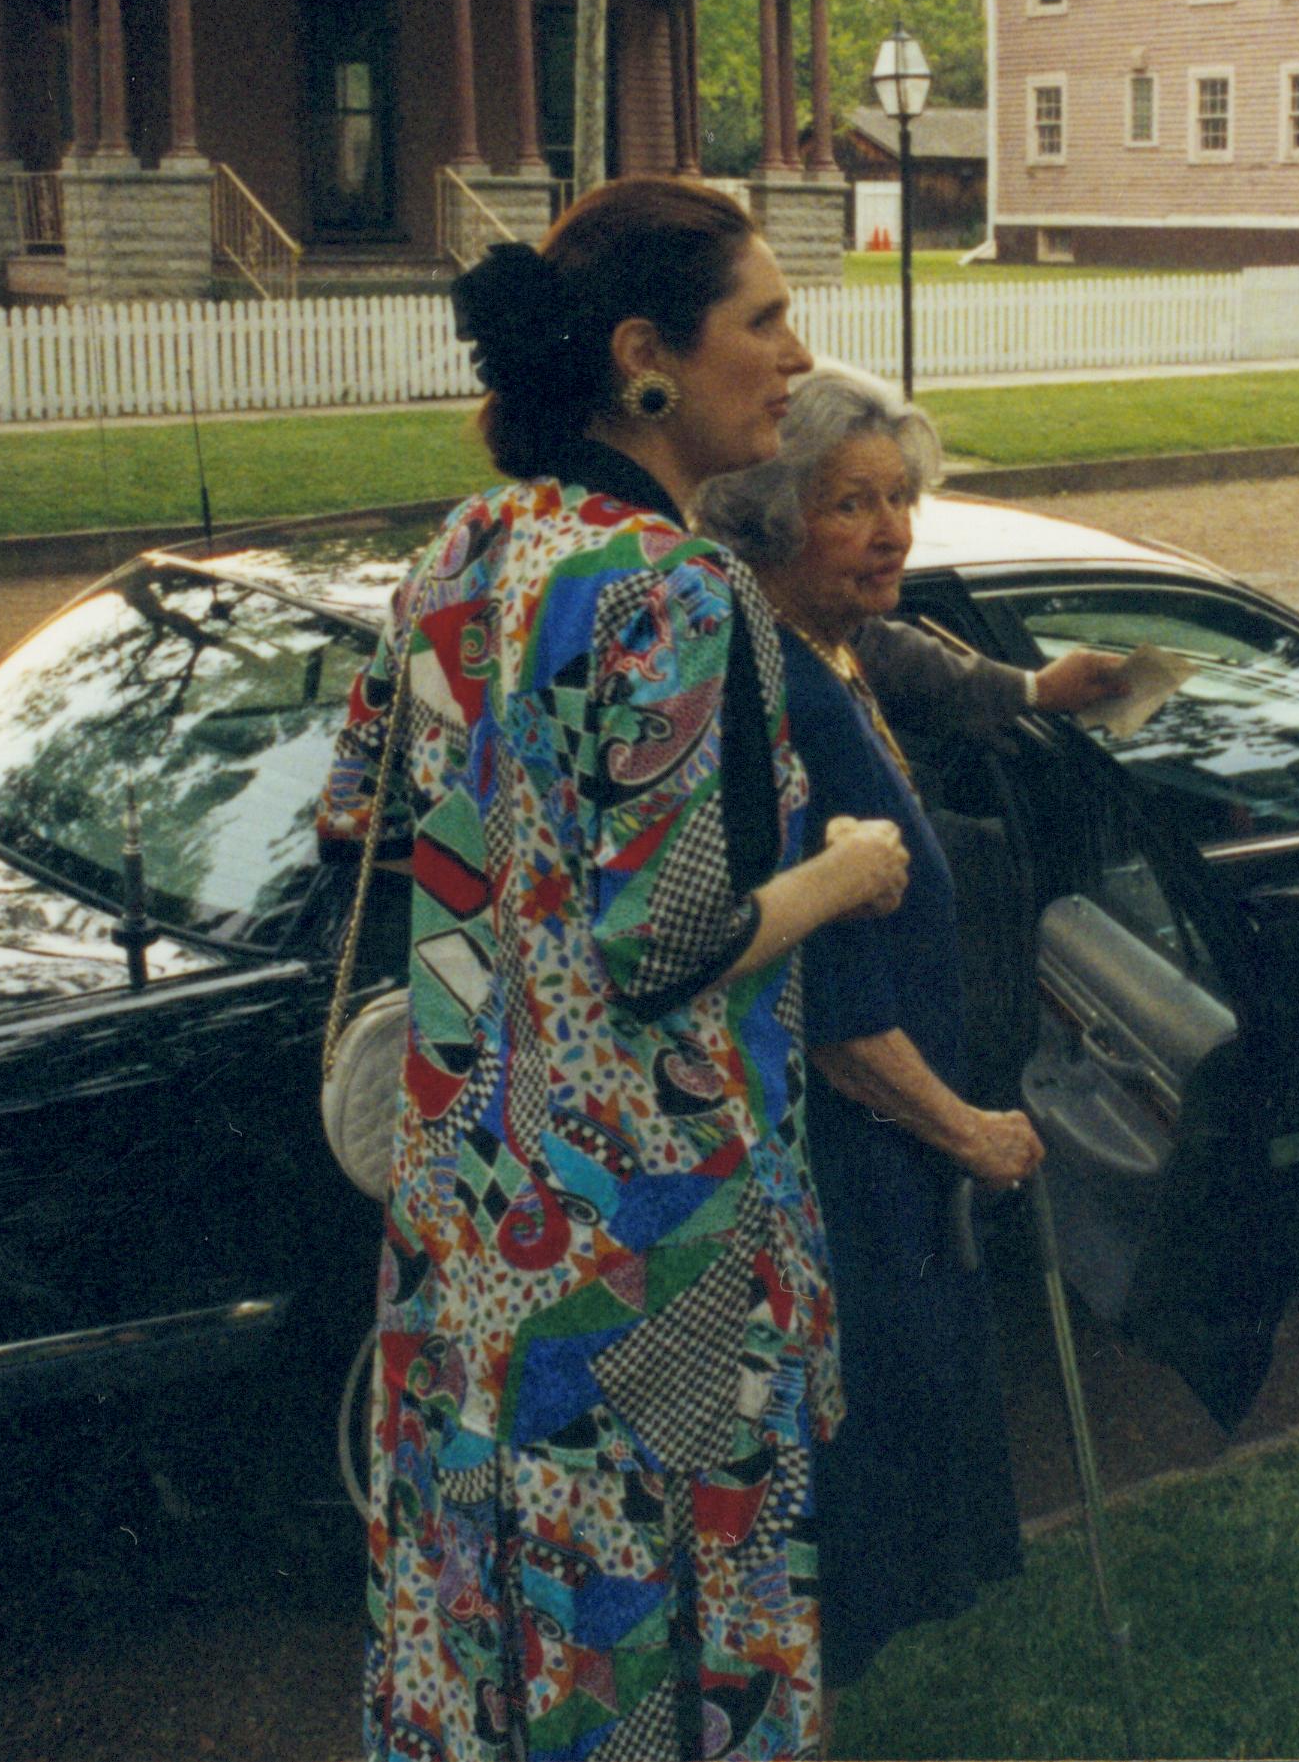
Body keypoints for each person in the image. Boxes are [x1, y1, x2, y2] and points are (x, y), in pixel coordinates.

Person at [329, 179, 912, 1762]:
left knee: (509, 1630)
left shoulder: (466, 547)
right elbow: (666, 942)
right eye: (766, 319)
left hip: (473, 1234)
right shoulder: (677, 590)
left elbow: (366, 830)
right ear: (646, 356)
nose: (795, 356)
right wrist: (843, 872)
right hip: (655, 1245)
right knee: (663, 1641)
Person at [693, 364, 1110, 1686]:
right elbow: (818, 1005)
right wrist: (967, 1128)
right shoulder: (779, 698)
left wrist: (1037, 690)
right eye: (848, 505)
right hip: (847, 1163)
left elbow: (914, 656)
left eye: (900, 499)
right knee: (850, 1470)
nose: (890, 532)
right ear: (767, 522)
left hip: (886, 1157)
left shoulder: (830, 646)